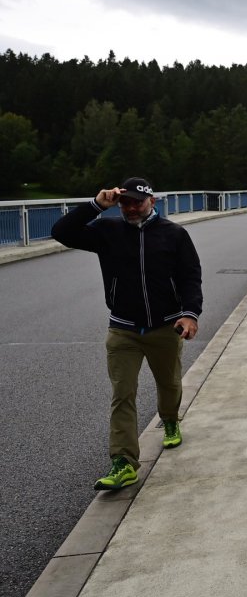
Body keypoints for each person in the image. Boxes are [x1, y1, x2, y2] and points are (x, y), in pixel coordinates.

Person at [52, 177, 203, 490]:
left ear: (153, 202)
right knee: (123, 394)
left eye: (137, 202)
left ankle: (171, 420)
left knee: (169, 382)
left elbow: (190, 276)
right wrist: (95, 206)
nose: (131, 208)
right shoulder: (107, 232)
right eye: (125, 203)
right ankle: (123, 462)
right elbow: (61, 233)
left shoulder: (174, 234)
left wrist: (190, 314)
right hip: (123, 329)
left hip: (165, 326)